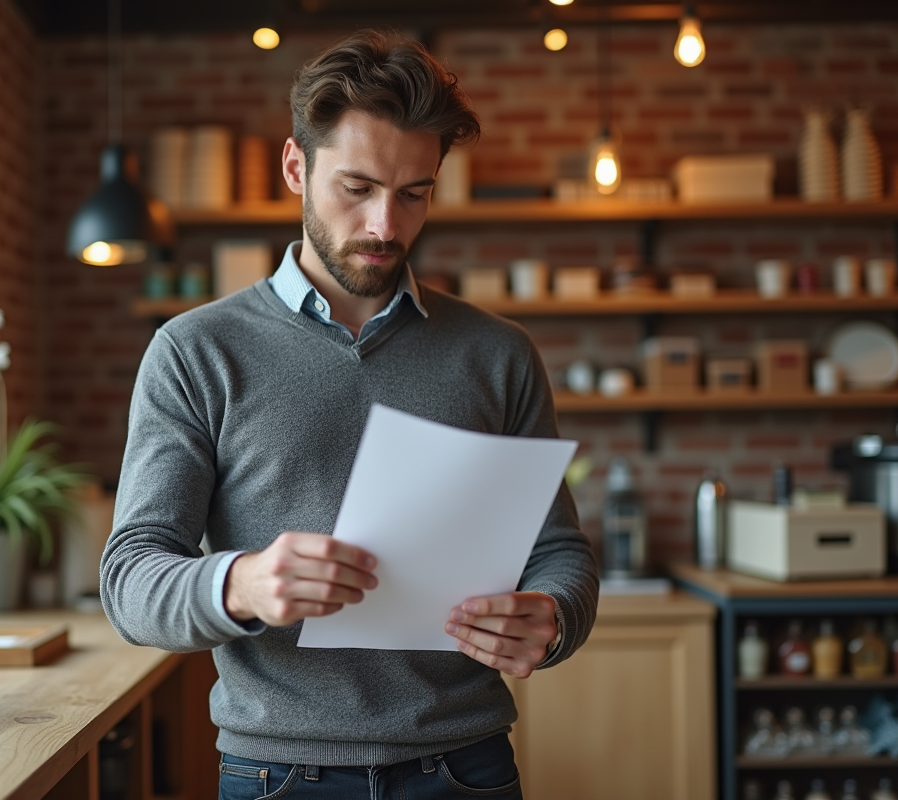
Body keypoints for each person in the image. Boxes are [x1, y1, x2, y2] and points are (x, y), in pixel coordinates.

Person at [102, 30, 598, 800]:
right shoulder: (196, 351)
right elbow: (131, 578)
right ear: (297, 168)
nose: (384, 226)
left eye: (413, 193)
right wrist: (243, 585)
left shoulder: (498, 355)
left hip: (466, 768)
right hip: (275, 774)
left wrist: (554, 618)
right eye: (357, 187)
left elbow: (560, 552)